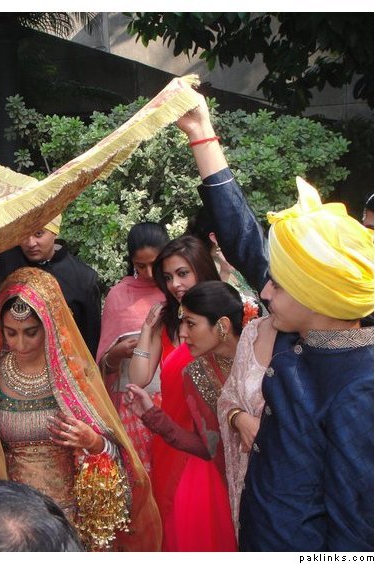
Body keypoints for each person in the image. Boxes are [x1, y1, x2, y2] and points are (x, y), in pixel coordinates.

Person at [176, 84, 373, 551]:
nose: (264, 292)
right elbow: (244, 238)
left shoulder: (360, 388)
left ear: (317, 295)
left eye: (278, 284)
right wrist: (201, 132)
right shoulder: (308, 324)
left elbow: (354, 534)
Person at [0, 267, 161, 551]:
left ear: (49, 325)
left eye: (31, 332)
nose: (20, 343)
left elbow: (115, 450)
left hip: (68, 522)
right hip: (10, 520)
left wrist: (92, 442)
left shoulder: (74, 375)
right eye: (11, 333)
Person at [127, 280, 260, 550]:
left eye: (191, 324)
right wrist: (152, 416)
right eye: (182, 323)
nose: (183, 334)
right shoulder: (195, 372)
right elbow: (208, 447)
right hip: (236, 488)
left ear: (222, 326)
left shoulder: (262, 353)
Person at [126, 235, 221, 551]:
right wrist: (146, 330)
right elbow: (138, 378)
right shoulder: (166, 321)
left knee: (202, 527)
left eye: (183, 273)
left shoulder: (226, 315)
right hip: (169, 438)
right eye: (168, 277)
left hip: (211, 444)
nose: (175, 285)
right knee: (173, 529)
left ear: (201, 269)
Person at [0, 215, 102, 357]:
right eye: (24, 234)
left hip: (62, 365)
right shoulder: (3, 263)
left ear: (55, 232)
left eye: (38, 234)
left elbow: (90, 343)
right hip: (9, 363)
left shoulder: (83, 278)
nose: (30, 243)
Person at [96, 221, 169, 474]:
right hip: (131, 407)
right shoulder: (119, 295)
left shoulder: (177, 291)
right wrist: (115, 355)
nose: (148, 273)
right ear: (131, 262)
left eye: (155, 264)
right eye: (141, 266)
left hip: (173, 404)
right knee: (139, 481)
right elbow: (102, 366)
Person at [216, 313, 275, 538]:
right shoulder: (253, 331)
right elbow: (228, 397)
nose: (266, 295)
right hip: (251, 483)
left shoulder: (329, 345)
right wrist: (239, 418)